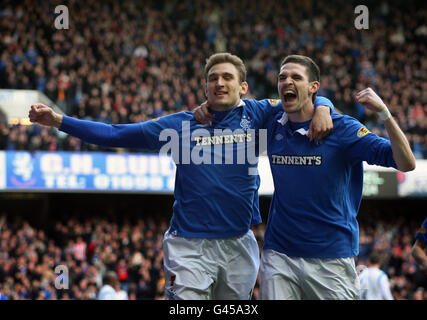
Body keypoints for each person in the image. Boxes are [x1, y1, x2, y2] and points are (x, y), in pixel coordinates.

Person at [29, 52, 334, 300]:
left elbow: (301, 100)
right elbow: (115, 133)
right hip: (189, 246)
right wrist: (59, 120)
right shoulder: (179, 125)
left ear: (243, 87)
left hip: (240, 245)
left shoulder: (259, 114)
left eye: (227, 77)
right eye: (212, 78)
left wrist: (324, 106)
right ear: (205, 88)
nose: (219, 83)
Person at [257, 55, 415, 300]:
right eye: (282, 77)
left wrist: (384, 113)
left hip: (331, 258)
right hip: (279, 254)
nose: (287, 81)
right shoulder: (273, 121)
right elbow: (234, 108)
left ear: (313, 87)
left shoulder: (343, 129)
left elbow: (406, 163)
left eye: (296, 77)